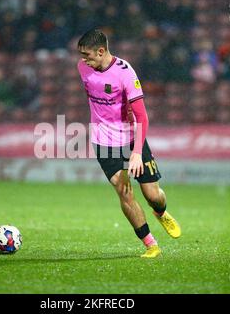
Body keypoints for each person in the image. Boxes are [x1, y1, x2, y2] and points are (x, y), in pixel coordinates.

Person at [76, 29, 181, 258]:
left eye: (88, 55)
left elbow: (142, 117)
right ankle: (151, 244)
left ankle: (161, 212)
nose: (83, 60)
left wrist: (135, 154)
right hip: (103, 141)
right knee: (124, 192)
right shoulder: (83, 68)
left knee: (153, 195)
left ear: (101, 51)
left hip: (132, 138)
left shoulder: (125, 73)